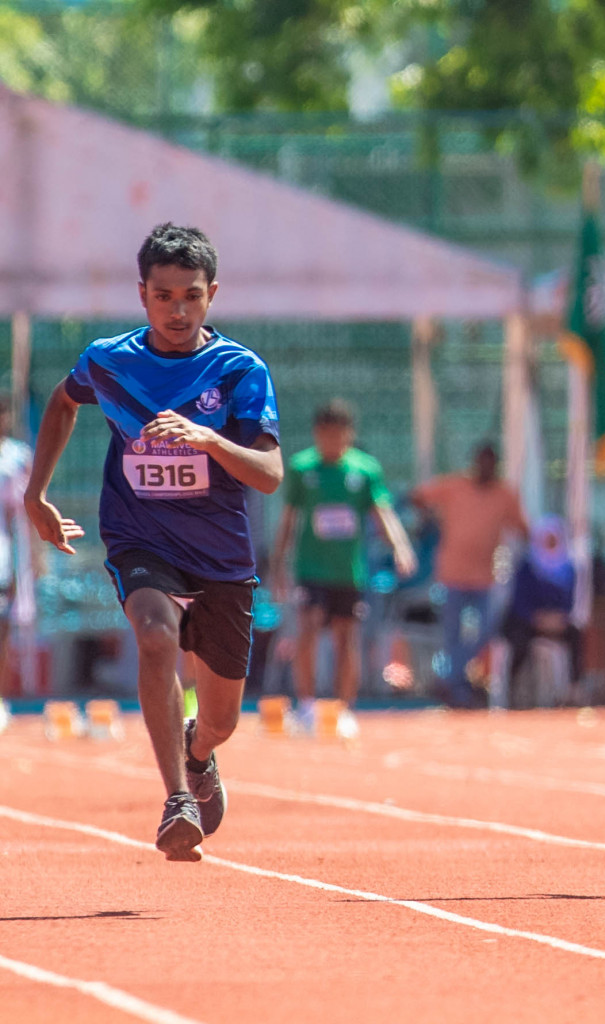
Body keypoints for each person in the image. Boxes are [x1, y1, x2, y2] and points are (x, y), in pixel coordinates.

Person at [24, 223, 282, 861]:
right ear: (142, 295)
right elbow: (63, 403)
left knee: (222, 720)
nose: (177, 310)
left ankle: (198, 751)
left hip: (221, 554)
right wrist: (37, 494)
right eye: (164, 296)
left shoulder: (239, 370)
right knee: (155, 635)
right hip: (141, 538)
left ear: (212, 295)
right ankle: (176, 800)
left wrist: (210, 440)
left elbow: (271, 475)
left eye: (191, 296)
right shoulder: (110, 360)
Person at [270, 399, 416, 733]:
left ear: (349, 435)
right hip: (310, 568)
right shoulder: (302, 468)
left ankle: (342, 710)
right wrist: (280, 565)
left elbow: (383, 511)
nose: (333, 442)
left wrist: (401, 546)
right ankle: (306, 706)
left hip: (348, 571)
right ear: (317, 434)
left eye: (339, 435)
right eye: (326, 435)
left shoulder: (364, 470)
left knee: (345, 636)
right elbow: (289, 520)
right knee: (307, 628)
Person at [411, 442, 528, 708]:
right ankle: (457, 688)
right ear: (475, 462)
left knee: (486, 630)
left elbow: (523, 528)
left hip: (485, 578)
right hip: (452, 575)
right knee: (452, 634)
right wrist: (430, 518)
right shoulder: (454, 486)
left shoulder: (505, 495)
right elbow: (417, 496)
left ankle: (451, 679)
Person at [502, 515, 581, 705]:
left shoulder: (568, 568)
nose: (550, 543)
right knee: (519, 641)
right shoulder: (527, 567)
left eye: (554, 540)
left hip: (555, 623)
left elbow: (568, 603)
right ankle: (512, 692)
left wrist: (556, 619)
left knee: (576, 635)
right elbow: (519, 603)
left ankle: (571, 690)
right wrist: (538, 618)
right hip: (526, 622)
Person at [0, 396, 35, 704]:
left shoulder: (16, 456)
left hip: (3, 556)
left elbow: (26, 511)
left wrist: (32, 557)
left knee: (2, 629)